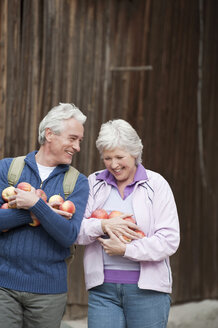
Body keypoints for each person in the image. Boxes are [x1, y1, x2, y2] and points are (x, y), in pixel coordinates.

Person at [77, 119, 180, 328]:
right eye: (107, 158)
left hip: (148, 292)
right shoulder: (93, 183)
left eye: (119, 157)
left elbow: (169, 239)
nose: (113, 164)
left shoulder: (156, 185)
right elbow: (76, 230)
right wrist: (103, 225)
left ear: (135, 153)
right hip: (103, 291)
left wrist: (126, 249)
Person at [0, 103, 89, 328]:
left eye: (79, 140)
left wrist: (34, 204)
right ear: (49, 134)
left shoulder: (77, 182)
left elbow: (68, 235)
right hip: (3, 287)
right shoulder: (8, 169)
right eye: (72, 138)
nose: (77, 146)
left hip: (48, 294)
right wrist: (41, 212)